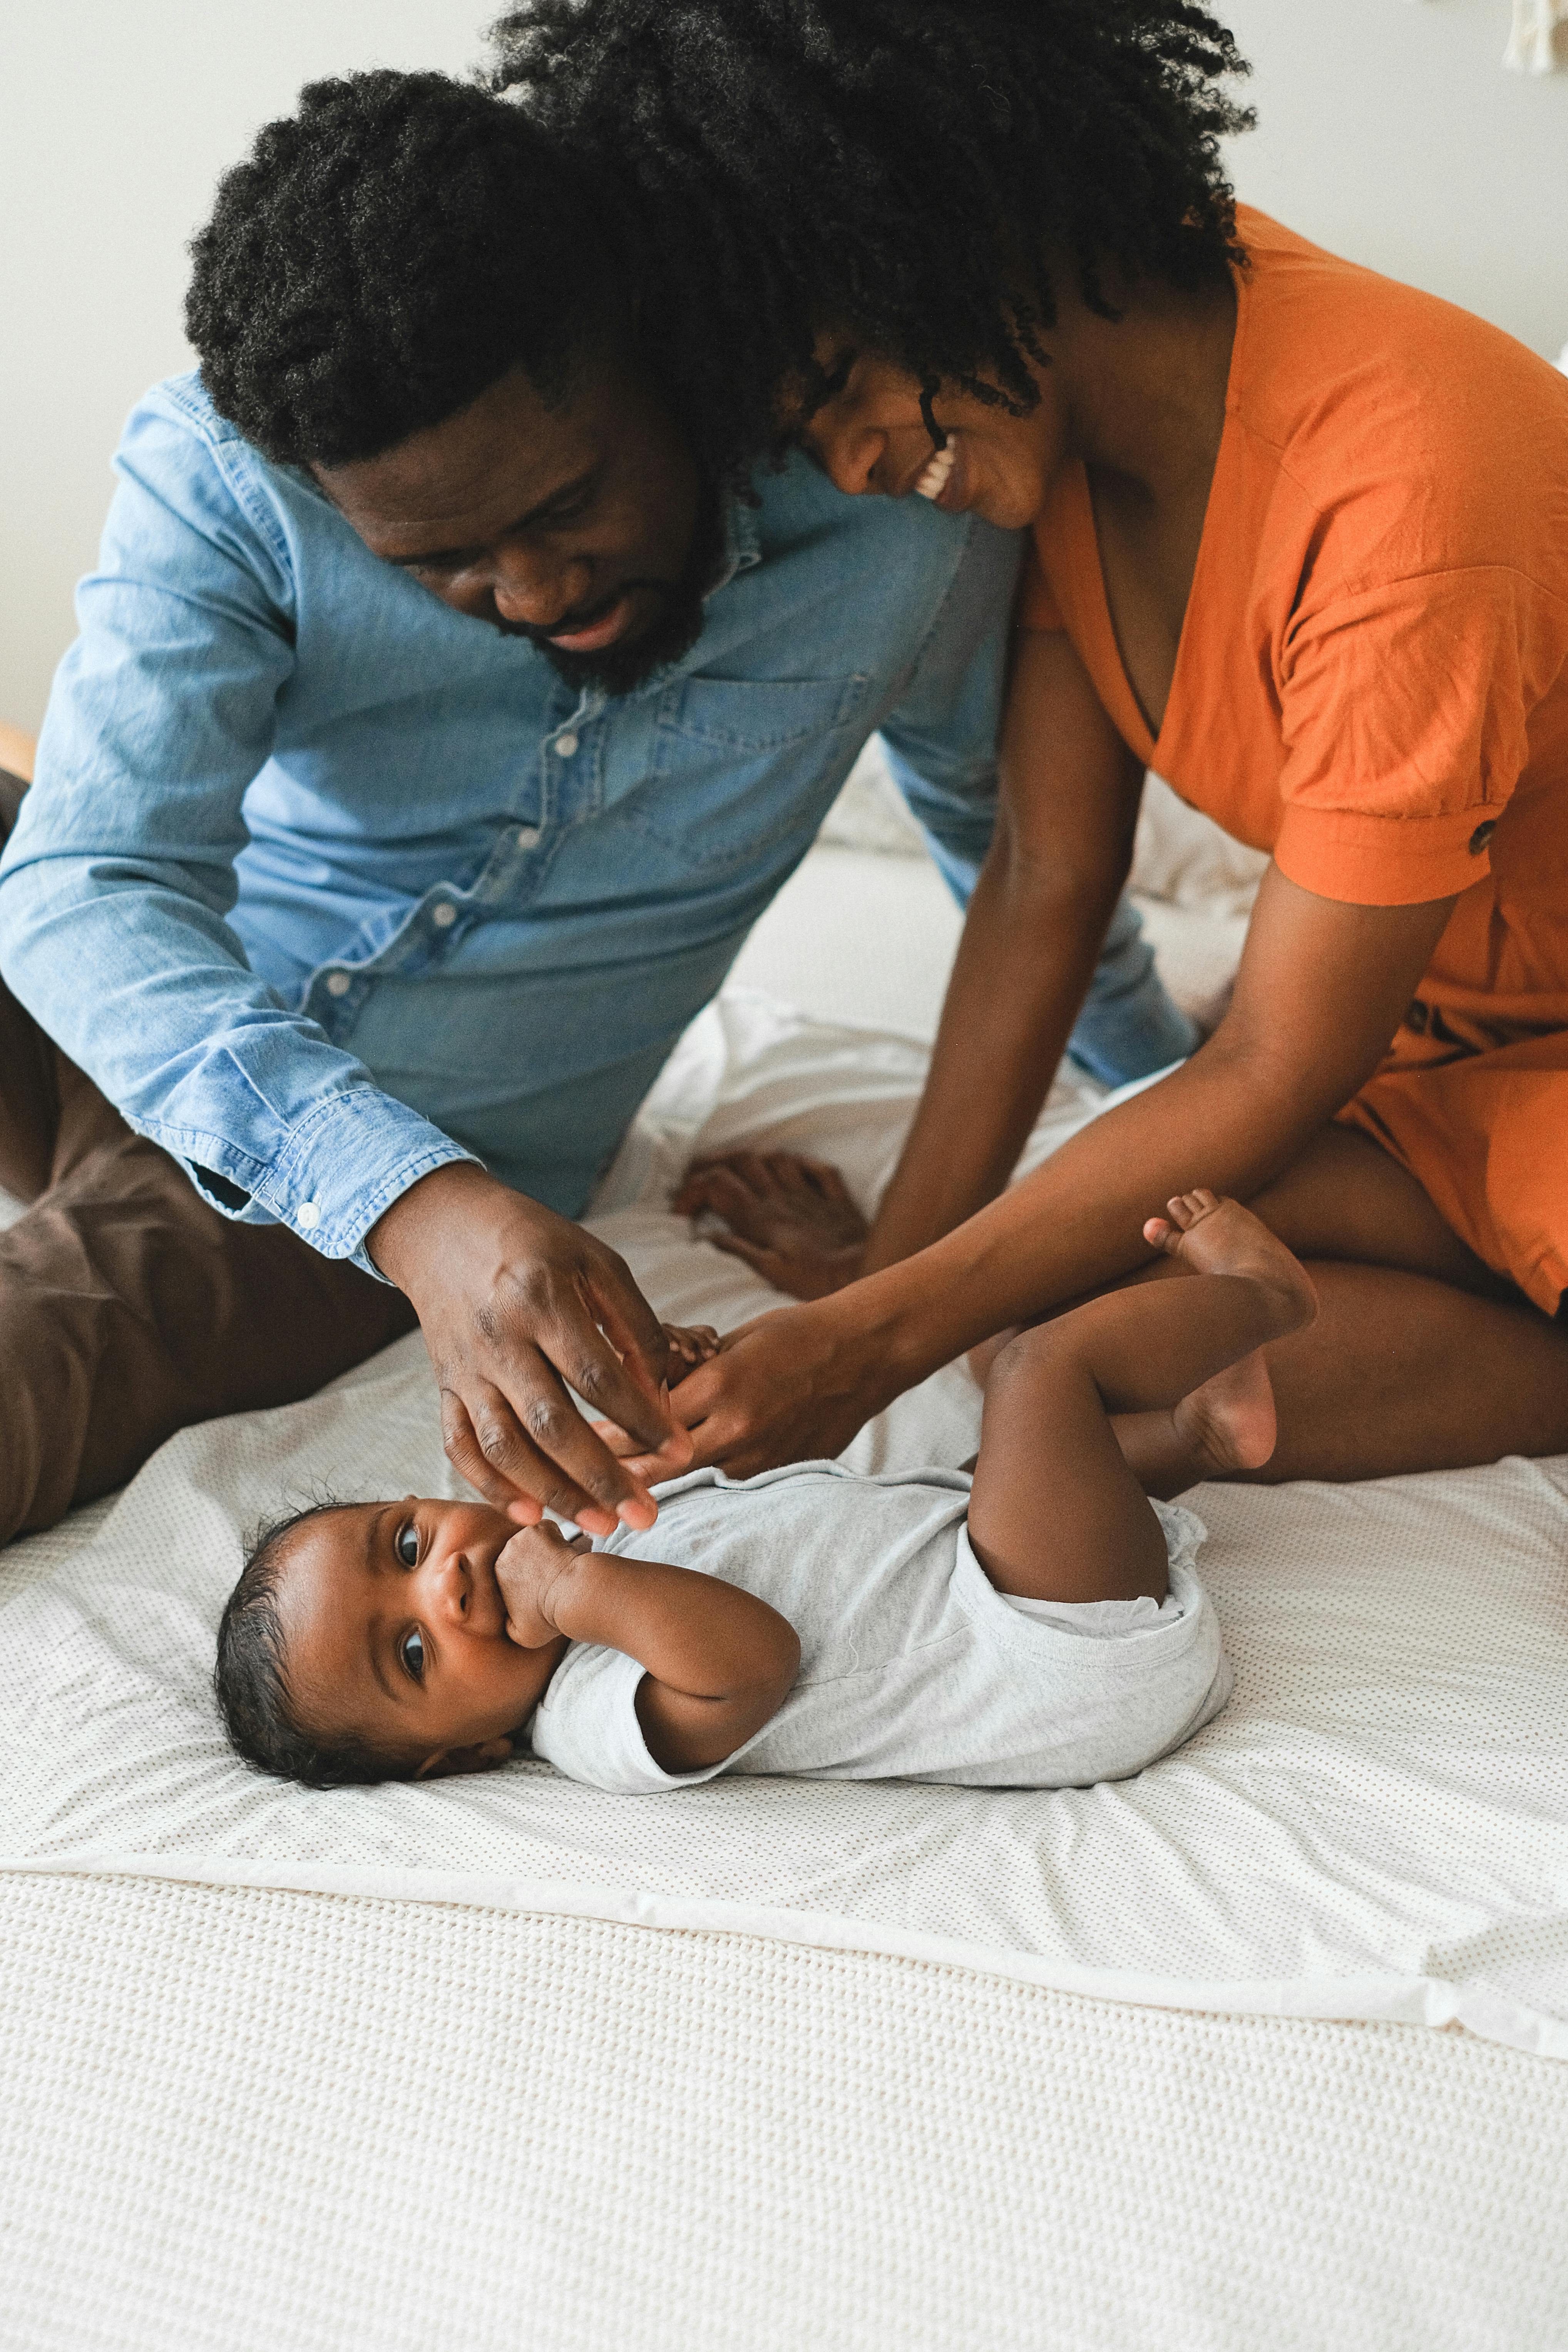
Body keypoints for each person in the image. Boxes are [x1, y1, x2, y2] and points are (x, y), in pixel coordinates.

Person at [0, 68, 1191, 1549]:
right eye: (438, 564)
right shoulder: (225, 470)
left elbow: (1017, 850)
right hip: (152, 1030)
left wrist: (1171, 1087)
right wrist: (416, 1206)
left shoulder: (899, 527)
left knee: (39, 1345)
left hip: (307, 1205)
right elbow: (85, 886)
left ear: (668, 358)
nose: (534, 592)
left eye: (565, 510)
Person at [495, 0, 1568, 1484]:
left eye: (838, 392)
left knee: (1047, 1348)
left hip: (1456, 1055)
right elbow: (1047, 876)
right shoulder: (1078, 420)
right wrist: (900, 1269)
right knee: (1046, 1333)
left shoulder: (1410, 492)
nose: (858, 468)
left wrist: (876, 1338)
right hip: (1435, 1045)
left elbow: (1267, 1063)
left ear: (954, 230)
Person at [214, 1189, 1314, 1791]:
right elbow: (749, 1660)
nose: (441, 1590)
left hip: (985, 1581)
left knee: (999, 1470)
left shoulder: (570, 1540)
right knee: (1036, 1376)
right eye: (410, 1654)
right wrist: (574, 1597)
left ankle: (1200, 1432)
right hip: (1046, 1659)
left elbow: (755, 1506)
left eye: (404, 1548)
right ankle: (1262, 1296)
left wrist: (678, 1398)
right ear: (466, 1754)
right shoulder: (587, 1718)